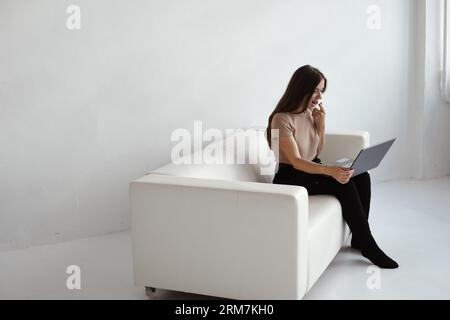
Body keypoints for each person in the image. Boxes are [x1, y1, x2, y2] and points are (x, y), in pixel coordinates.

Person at [267, 65, 398, 269]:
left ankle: (358, 239)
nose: (319, 96)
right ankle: (369, 246)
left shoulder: (310, 114)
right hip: (291, 176)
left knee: (362, 176)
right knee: (342, 183)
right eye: (316, 90)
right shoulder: (282, 119)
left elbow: (317, 152)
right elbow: (295, 160)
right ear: (301, 88)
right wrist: (330, 171)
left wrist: (322, 124)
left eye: (322, 90)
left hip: (310, 168)